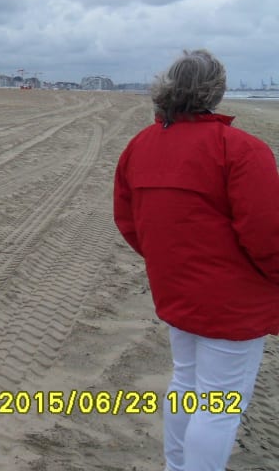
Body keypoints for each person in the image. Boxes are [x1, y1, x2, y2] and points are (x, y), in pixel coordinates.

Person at [114, 49, 279, 471]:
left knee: (188, 384)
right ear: (217, 91)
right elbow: (268, 236)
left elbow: (130, 220)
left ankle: (177, 465)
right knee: (219, 402)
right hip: (232, 303)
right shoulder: (240, 150)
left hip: (179, 291)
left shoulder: (142, 145)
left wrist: (167, 263)